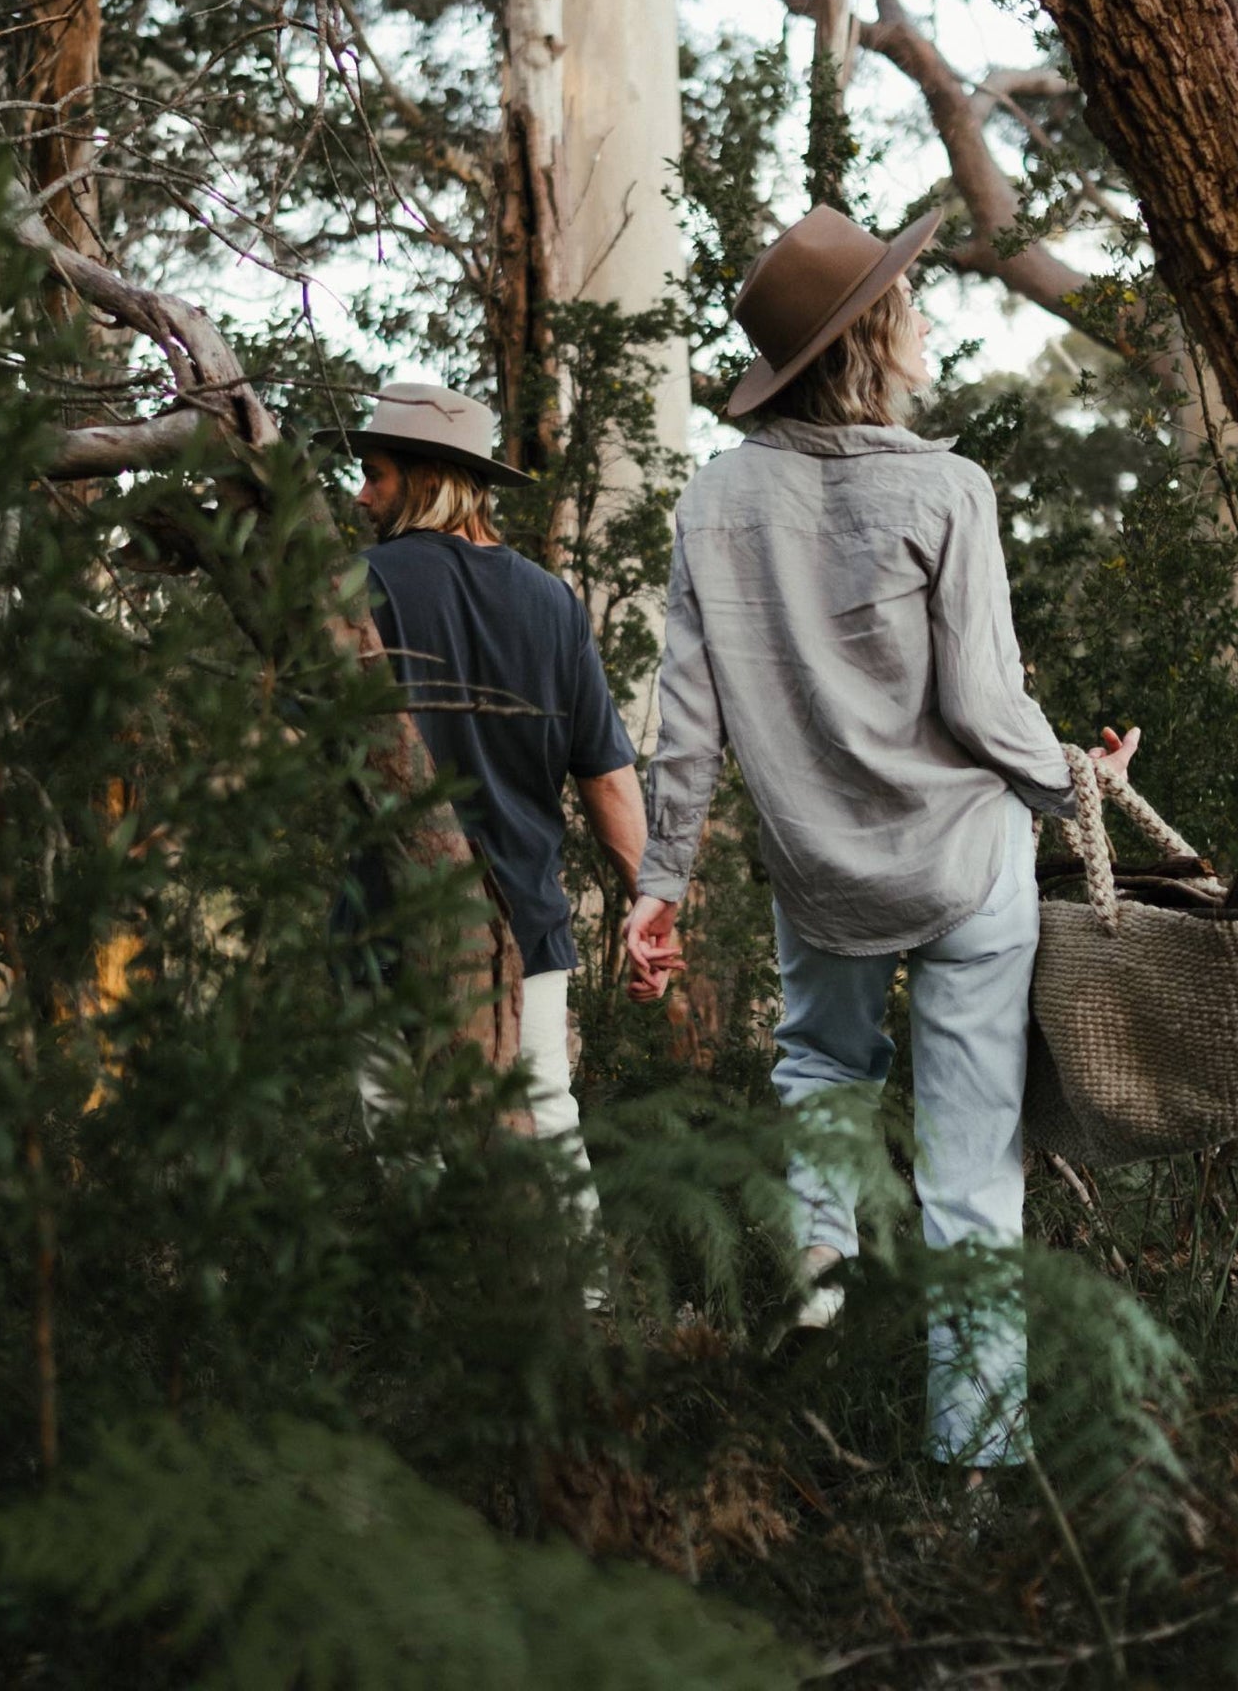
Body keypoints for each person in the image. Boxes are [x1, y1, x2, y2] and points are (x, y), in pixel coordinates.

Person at [622, 206, 1140, 1470]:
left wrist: (660, 881)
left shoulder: (714, 504)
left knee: (819, 1065)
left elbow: (683, 721)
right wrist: (1074, 779)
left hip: (820, 867)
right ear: (875, 339)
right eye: (901, 304)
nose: (917, 318)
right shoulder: (944, 486)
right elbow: (976, 701)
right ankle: (970, 1475)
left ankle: (819, 1248)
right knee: (974, 1187)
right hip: (966, 867)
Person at [346, 381, 646, 1222]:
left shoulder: (359, 585)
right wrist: (647, 903)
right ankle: (581, 1313)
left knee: (401, 1124)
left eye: (373, 474)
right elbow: (608, 777)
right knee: (546, 1118)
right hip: (525, 921)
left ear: (426, 476)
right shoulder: (552, 602)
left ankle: (439, 1315)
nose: (360, 494)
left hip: (386, 916)